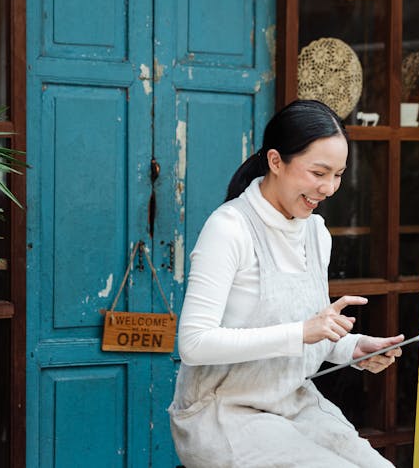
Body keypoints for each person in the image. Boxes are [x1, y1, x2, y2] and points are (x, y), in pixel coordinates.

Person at [168, 99, 404, 467]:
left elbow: (309, 331)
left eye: (339, 174)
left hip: (292, 404)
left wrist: (354, 350)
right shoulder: (229, 228)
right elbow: (194, 345)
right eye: (319, 172)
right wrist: (303, 332)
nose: (329, 188)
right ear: (276, 162)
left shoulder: (316, 232)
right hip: (224, 414)